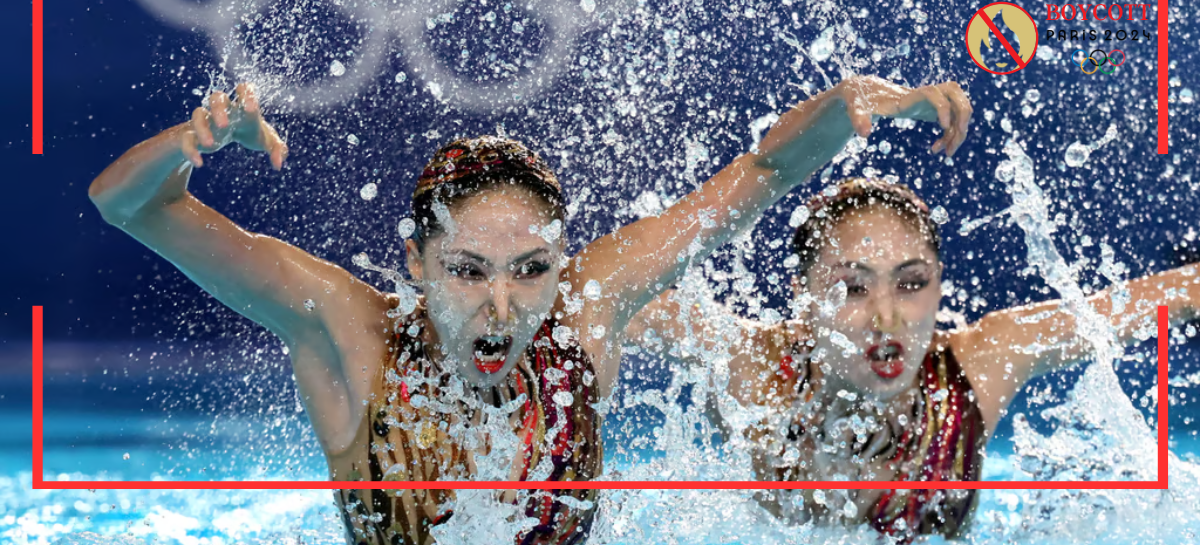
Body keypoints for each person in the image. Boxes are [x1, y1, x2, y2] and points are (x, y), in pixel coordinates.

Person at [87, 76, 971, 545]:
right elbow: (127, 205)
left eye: (532, 269)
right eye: (468, 271)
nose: (504, 306)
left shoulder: (587, 313)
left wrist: (847, 105)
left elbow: (762, 174)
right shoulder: (347, 331)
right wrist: (191, 143)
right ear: (416, 262)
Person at [628, 177, 1200, 542]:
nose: (887, 318)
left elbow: (1163, 298)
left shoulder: (978, 366)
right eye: (853, 288)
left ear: (940, 285)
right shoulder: (754, 368)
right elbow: (599, 299)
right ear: (803, 296)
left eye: (911, 284)